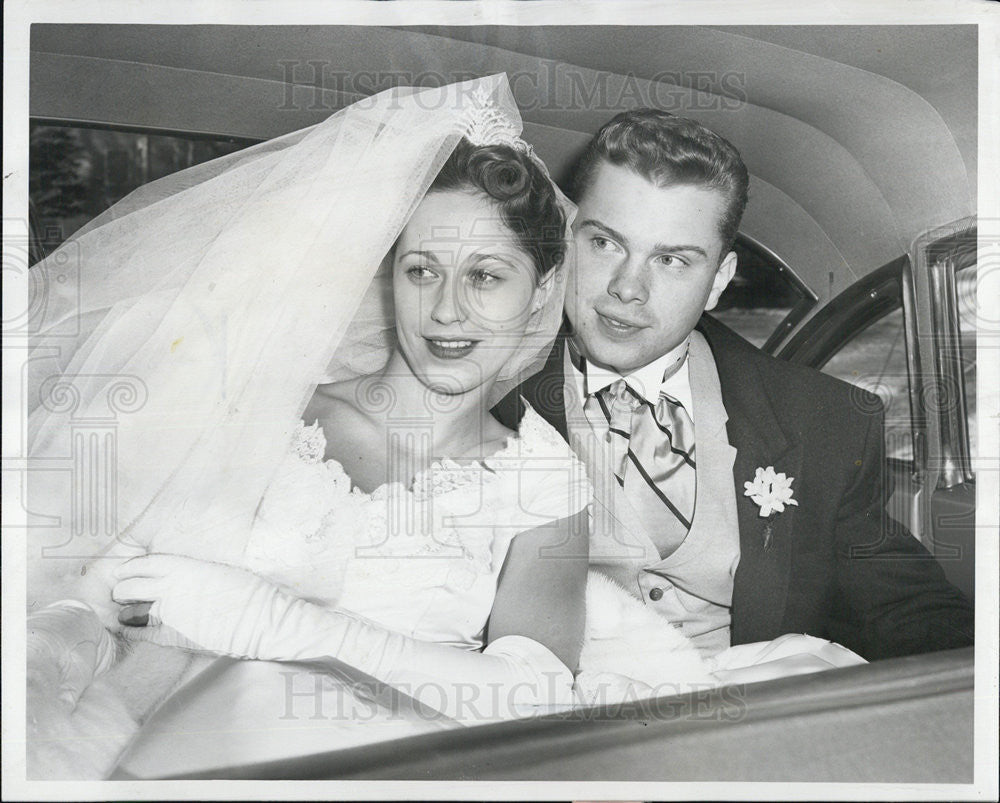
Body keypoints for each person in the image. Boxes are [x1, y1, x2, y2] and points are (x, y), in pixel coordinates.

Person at [25, 75, 591, 779]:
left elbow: (535, 700)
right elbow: (115, 586)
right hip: (168, 754)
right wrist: (59, 644)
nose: (448, 310)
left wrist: (279, 624)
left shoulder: (542, 476)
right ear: (389, 273)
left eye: (485, 276)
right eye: (423, 270)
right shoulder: (274, 402)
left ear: (539, 289)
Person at [494, 108, 974, 664]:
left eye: (672, 260)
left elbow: (910, 611)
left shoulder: (823, 422)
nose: (628, 288)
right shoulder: (486, 391)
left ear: (718, 280)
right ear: (565, 239)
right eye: (604, 243)